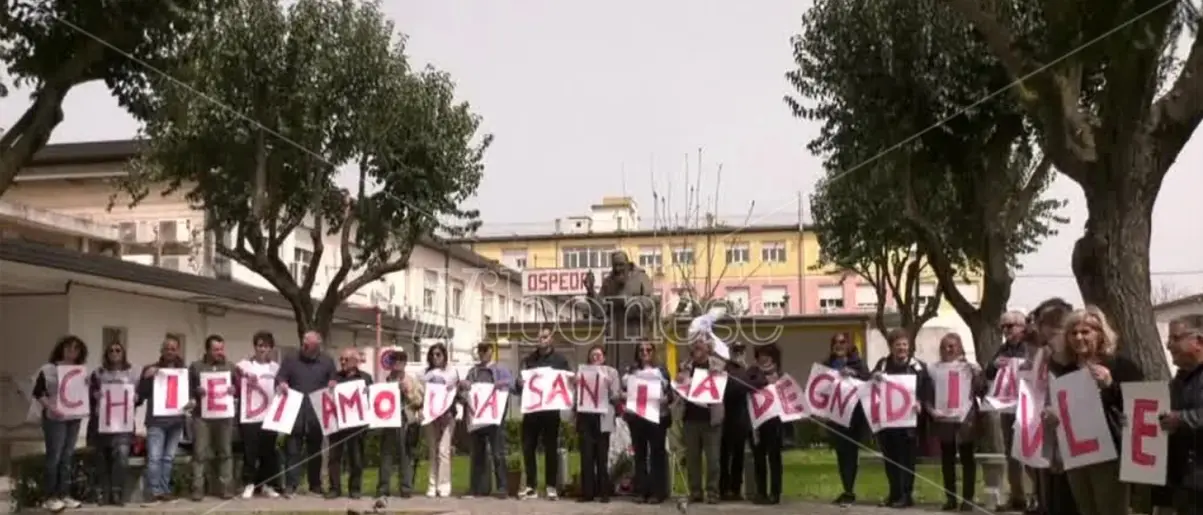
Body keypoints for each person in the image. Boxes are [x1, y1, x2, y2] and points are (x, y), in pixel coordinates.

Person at [1042, 307, 1141, 515]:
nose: (1079, 337)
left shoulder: (1120, 366)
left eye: (1085, 331)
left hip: (1109, 453)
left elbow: (1138, 408)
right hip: (1076, 454)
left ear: (1100, 333)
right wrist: (1054, 415)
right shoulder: (1064, 371)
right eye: (1073, 332)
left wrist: (1110, 385)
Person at [1023, 298, 1077, 515]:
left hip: (1070, 442)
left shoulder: (1072, 359)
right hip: (1046, 437)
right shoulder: (1043, 355)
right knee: (1050, 496)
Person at [871, 328, 929, 508]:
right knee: (890, 459)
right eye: (898, 345)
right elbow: (869, 383)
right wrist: (874, 377)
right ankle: (894, 493)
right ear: (891, 347)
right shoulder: (882, 364)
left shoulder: (918, 367)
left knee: (907, 459)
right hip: (887, 421)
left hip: (909, 422)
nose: (902, 348)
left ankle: (906, 495)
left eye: (904, 344)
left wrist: (921, 402)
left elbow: (927, 389)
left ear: (909, 346)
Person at [926, 333, 984, 511]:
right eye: (944, 346)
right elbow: (925, 393)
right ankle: (950, 498)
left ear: (959, 347)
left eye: (952, 346)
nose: (948, 349)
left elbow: (981, 390)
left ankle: (968, 498)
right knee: (947, 460)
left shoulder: (969, 368)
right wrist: (931, 411)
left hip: (965, 419)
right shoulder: (933, 368)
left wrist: (978, 375)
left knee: (967, 459)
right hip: (944, 420)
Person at [275, 330, 338, 497]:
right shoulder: (291, 359)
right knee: (292, 450)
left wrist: (333, 382)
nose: (304, 347)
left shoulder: (327, 361)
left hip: (316, 413)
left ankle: (315, 485)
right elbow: (280, 377)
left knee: (315, 451)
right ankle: (291, 484)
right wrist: (282, 383)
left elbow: (334, 379)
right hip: (295, 411)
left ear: (317, 347)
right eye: (304, 344)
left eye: (308, 346)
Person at [983, 310, 1034, 512]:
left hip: (1029, 408)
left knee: (1030, 451)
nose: (1005, 331)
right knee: (1012, 454)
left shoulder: (1031, 348)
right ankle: (1017, 495)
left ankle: (1037, 496)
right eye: (1003, 327)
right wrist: (994, 365)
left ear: (1022, 326)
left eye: (1010, 326)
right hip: (1008, 408)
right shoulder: (1002, 350)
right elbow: (989, 373)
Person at [32, 336, 89, 512]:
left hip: (73, 418)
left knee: (67, 457)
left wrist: (86, 385)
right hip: (55, 419)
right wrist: (50, 407)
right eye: (69, 348)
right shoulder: (48, 369)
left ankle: (64, 494)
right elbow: (38, 392)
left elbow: (83, 393)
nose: (72, 352)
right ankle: (49, 496)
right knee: (54, 457)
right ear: (61, 349)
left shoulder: (80, 371)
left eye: (76, 349)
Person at [516, 326, 571, 500]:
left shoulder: (560, 360)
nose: (541, 339)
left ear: (551, 339)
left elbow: (567, 381)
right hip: (532, 411)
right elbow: (520, 383)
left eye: (545, 337)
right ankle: (531, 486)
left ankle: (551, 486)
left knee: (551, 448)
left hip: (550, 411)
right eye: (538, 337)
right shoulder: (528, 360)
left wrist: (572, 380)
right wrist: (520, 383)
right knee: (528, 447)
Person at [137, 335, 188, 506]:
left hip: (176, 421)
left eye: (173, 348)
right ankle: (154, 492)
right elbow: (140, 395)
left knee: (168, 458)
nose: (170, 351)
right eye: (167, 348)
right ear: (161, 350)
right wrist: (146, 377)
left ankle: (165, 491)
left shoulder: (184, 371)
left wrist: (192, 402)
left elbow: (190, 395)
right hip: (156, 421)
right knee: (154, 457)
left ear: (177, 350)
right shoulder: (150, 369)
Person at [676, 334, 724, 504]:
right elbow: (678, 390)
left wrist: (718, 375)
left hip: (711, 419)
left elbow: (724, 388)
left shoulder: (718, 366)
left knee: (713, 460)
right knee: (692, 459)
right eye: (694, 344)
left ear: (708, 349)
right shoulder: (685, 366)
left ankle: (712, 492)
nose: (696, 346)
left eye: (700, 344)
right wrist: (679, 381)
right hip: (690, 418)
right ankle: (695, 492)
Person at [89, 339, 138, 506]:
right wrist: (94, 395)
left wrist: (137, 398)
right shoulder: (98, 373)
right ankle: (104, 493)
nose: (115, 353)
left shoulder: (132, 374)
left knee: (122, 456)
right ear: (106, 354)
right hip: (102, 423)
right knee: (102, 458)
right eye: (111, 350)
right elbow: (89, 394)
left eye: (118, 350)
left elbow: (140, 395)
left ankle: (117, 492)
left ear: (123, 353)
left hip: (124, 424)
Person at [1162, 315, 1203, 514]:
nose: (1169, 345)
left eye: (1175, 339)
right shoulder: (1177, 382)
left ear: (1199, 341)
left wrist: (1182, 419)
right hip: (1184, 482)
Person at [188, 334, 236, 501]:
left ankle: (225, 487)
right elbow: (187, 389)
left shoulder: (230, 367)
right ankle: (198, 488)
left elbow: (238, 387)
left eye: (221, 349)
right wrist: (196, 392)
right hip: (202, 416)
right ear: (207, 350)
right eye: (216, 349)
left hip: (223, 417)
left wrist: (233, 390)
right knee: (200, 453)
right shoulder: (195, 367)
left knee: (225, 452)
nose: (219, 352)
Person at [623, 340, 672, 504]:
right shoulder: (631, 371)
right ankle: (641, 490)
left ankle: (658, 492)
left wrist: (666, 399)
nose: (645, 352)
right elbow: (623, 391)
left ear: (653, 352)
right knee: (640, 455)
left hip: (658, 417)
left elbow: (671, 394)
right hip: (637, 418)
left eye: (648, 349)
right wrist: (624, 397)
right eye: (641, 349)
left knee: (657, 454)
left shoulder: (662, 371)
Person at [462, 342, 513, 499]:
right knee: (477, 454)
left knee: (498, 453)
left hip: (495, 418)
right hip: (477, 418)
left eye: (485, 350)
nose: (482, 353)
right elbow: (464, 392)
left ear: (492, 351)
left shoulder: (501, 370)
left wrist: (503, 383)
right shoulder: (473, 371)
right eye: (480, 350)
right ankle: (476, 488)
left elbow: (513, 385)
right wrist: (464, 385)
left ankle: (502, 487)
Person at [824, 332, 869, 506]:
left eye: (842, 342)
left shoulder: (858, 363)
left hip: (853, 418)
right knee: (841, 455)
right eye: (835, 342)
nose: (839, 345)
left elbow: (867, 381)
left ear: (848, 345)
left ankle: (850, 491)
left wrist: (852, 373)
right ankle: (846, 489)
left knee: (851, 454)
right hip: (835, 417)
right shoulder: (827, 365)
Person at [236, 330, 282, 499]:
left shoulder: (275, 368)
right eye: (260, 346)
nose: (262, 349)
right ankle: (249, 483)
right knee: (250, 452)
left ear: (271, 348)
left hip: (269, 415)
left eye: (266, 346)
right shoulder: (243, 365)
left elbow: (281, 386)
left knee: (268, 452)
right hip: (249, 416)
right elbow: (236, 377)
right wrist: (244, 375)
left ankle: (267, 485)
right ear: (255, 347)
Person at [575, 344, 620, 503]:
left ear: (604, 358)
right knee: (586, 456)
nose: (596, 358)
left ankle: (604, 492)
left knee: (602, 456)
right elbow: (577, 397)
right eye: (593, 355)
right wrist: (575, 384)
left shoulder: (611, 373)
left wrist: (608, 386)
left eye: (599, 355)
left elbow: (616, 397)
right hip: (586, 418)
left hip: (603, 418)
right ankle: (587, 492)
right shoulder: (583, 372)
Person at [376, 348, 423, 498]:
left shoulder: (411, 380)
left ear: (404, 364)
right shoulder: (386, 380)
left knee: (405, 455)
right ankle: (383, 488)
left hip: (405, 422)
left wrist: (407, 392)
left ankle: (406, 488)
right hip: (388, 421)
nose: (396, 365)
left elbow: (419, 402)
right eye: (394, 362)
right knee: (386, 455)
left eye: (400, 362)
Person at [326, 348, 372, 499]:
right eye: (341, 359)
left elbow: (372, 400)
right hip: (337, 424)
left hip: (356, 425)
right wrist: (330, 388)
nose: (343, 362)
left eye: (346, 359)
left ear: (355, 361)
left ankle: (355, 489)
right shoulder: (335, 377)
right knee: (334, 457)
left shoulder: (365, 378)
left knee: (356, 458)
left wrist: (367, 393)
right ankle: (334, 488)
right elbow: (326, 398)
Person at [747, 343, 784, 505]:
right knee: (758, 458)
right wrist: (764, 381)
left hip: (774, 422)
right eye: (761, 355)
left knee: (775, 458)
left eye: (767, 355)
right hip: (757, 422)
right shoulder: (752, 373)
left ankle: (775, 493)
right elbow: (746, 385)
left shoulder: (781, 375)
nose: (764, 358)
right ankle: (760, 491)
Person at [422, 343, 459, 498]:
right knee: (432, 451)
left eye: (438, 354)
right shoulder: (424, 373)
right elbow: (421, 393)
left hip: (447, 415)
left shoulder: (451, 372)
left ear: (444, 356)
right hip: (430, 416)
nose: (435, 357)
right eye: (432, 354)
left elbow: (454, 391)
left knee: (444, 451)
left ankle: (444, 485)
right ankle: (432, 485)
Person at [718, 341, 751, 501]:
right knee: (724, 456)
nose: (738, 353)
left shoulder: (748, 369)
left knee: (739, 456)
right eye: (735, 351)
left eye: (740, 351)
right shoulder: (725, 369)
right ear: (730, 352)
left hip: (742, 418)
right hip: (727, 418)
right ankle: (723, 488)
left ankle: (736, 489)